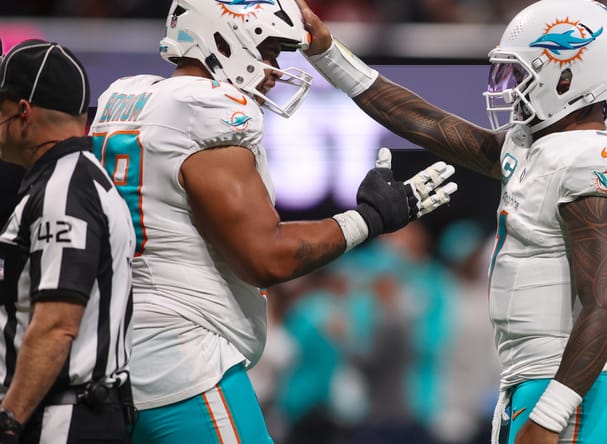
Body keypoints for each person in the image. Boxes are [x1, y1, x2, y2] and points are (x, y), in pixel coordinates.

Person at [88, 0, 457, 443]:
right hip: (183, 359)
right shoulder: (209, 109)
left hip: (116, 351)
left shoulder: (125, 100)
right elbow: (267, 256)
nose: (274, 70)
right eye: (268, 52)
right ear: (223, 39)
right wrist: (369, 219)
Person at [297, 0, 607, 442]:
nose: (512, 87)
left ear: (567, 78)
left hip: (574, 398)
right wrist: (329, 55)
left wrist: (550, 415)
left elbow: (603, 307)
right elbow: (426, 123)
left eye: (522, 73)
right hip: (541, 387)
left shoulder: (597, 158)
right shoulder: (535, 147)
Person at [0, 39, 136, 443]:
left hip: (59, 419)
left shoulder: (64, 191)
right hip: (64, 412)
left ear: (23, 112)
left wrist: (8, 421)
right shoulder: (72, 180)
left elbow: (56, 326)